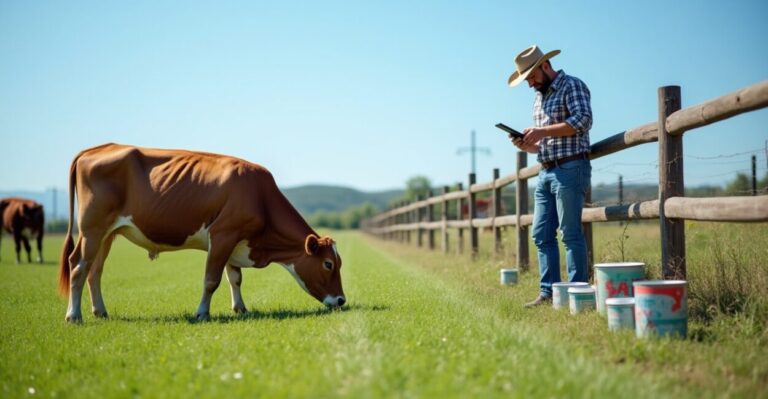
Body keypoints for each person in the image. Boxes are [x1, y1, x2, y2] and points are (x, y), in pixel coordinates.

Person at [507, 45, 593, 307]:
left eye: (531, 76)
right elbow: (545, 142)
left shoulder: (572, 85)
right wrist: (528, 145)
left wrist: (541, 132)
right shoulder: (539, 97)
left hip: (569, 168)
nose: (530, 83)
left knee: (569, 233)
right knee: (541, 233)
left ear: (545, 66)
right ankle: (549, 293)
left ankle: (577, 294)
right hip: (546, 170)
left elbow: (583, 121)